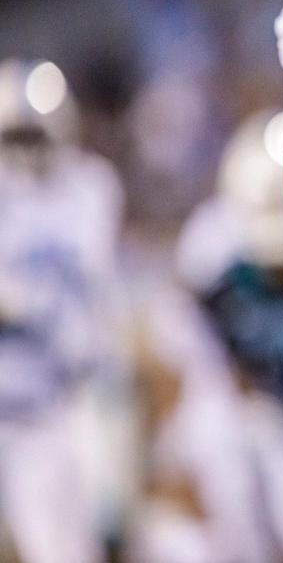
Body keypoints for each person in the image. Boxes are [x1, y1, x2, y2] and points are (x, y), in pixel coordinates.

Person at [0, 58, 121, 563]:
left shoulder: (92, 184)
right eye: (15, 138)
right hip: (19, 405)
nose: (27, 150)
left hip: (87, 390)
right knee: (50, 547)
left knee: (114, 528)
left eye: (34, 135)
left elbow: (94, 279)